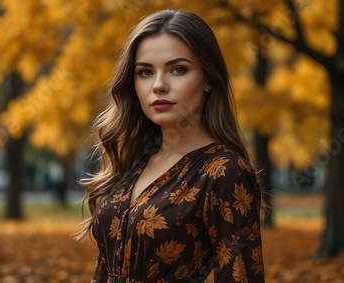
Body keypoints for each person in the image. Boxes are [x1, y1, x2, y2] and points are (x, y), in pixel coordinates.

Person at [76, 9, 265, 282]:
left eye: (178, 69)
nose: (158, 85)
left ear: (209, 79)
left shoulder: (224, 172)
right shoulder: (133, 161)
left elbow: (242, 276)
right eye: (145, 72)